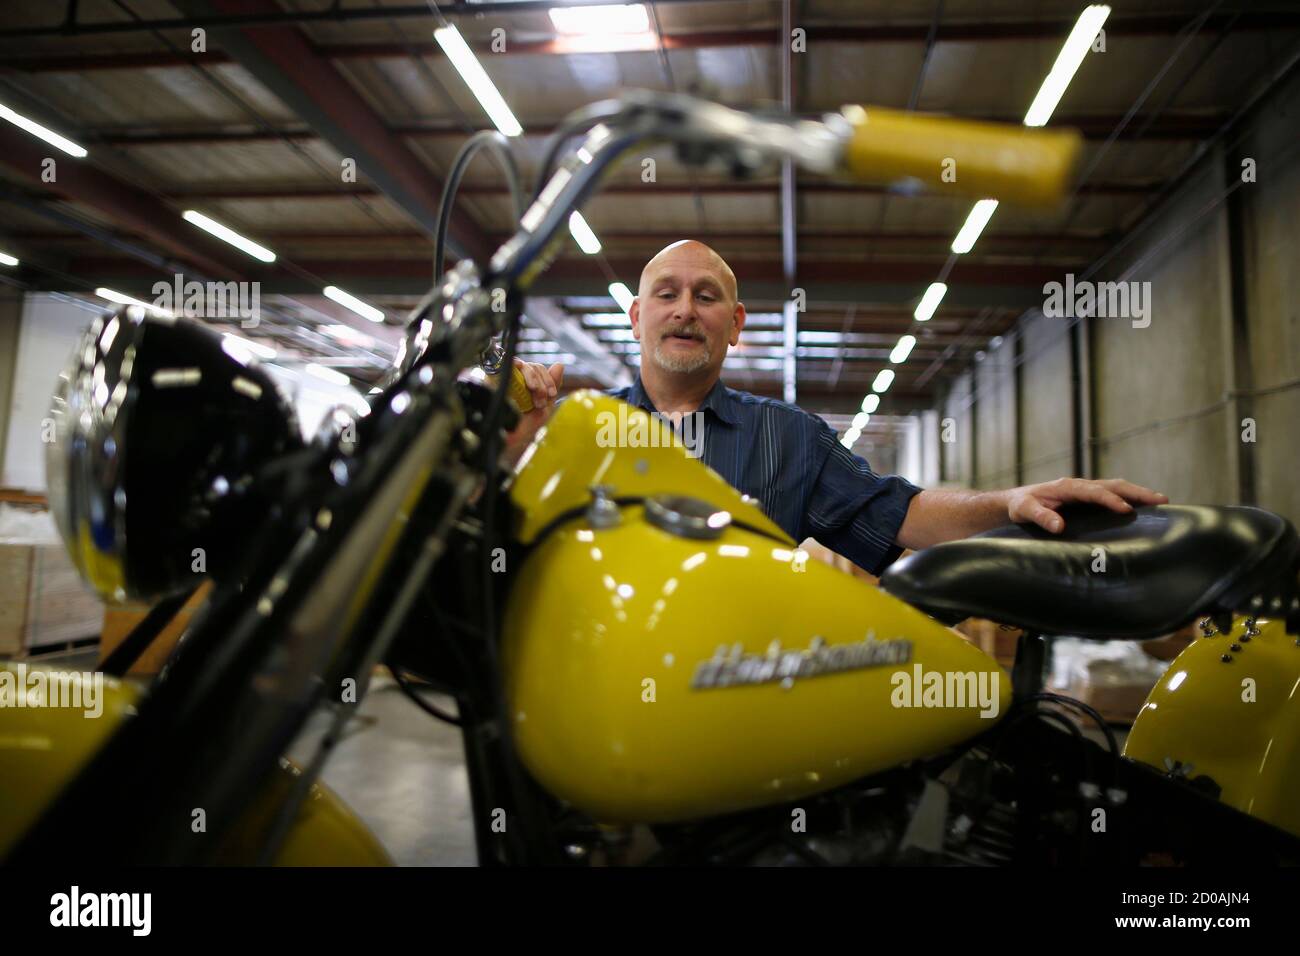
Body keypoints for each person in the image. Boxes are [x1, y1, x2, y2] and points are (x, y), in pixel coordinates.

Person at [504, 239, 1166, 575]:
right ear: (636, 316)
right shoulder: (574, 428)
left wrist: (1009, 502)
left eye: (706, 296)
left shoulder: (788, 438)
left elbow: (896, 512)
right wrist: (508, 440)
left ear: (735, 325)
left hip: (733, 707)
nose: (684, 310)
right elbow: (497, 537)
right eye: (667, 294)